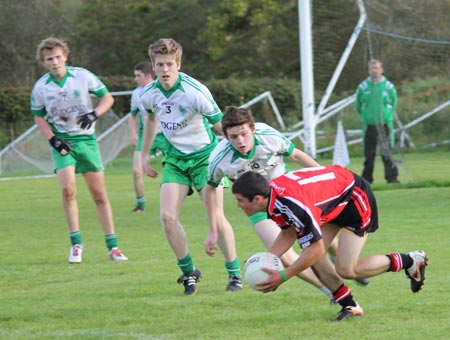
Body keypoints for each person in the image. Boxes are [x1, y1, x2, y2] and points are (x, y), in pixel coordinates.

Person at [231, 165, 428, 321]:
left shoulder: (292, 205)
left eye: (240, 200)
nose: (238, 206)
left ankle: (410, 261)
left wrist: (284, 276)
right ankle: (350, 306)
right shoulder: (273, 198)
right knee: (311, 254)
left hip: (354, 198)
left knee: (347, 269)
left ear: (257, 199)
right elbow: (288, 232)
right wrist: (267, 259)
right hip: (332, 200)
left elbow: (315, 249)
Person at [139, 38, 242, 295]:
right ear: (154, 65)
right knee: (167, 217)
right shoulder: (148, 94)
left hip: (205, 157)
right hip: (174, 158)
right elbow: (151, 121)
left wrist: (238, 153)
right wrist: (144, 155)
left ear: (178, 64)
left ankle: (234, 274)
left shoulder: (195, 91)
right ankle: (189, 273)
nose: (164, 69)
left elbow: (220, 125)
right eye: (160, 64)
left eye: (169, 64)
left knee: (217, 217)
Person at [204, 106, 334, 300]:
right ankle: (331, 290)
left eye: (243, 134)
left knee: (322, 235)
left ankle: (344, 264)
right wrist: (214, 229)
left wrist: (325, 177)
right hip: (258, 206)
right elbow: (210, 189)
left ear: (253, 129)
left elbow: (296, 155)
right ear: (225, 136)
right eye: (233, 137)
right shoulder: (219, 159)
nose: (240, 141)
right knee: (283, 256)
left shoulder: (268, 136)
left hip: (288, 195)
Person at [31, 37, 128, 263]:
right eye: (49, 59)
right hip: (63, 142)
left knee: (99, 195)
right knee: (68, 189)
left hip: (87, 141)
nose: (54, 62)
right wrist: (53, 139)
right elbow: (38, 116)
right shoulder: (41, 87)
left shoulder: (82, 76)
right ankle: (76, 245)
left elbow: (107, 97)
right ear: (43, 62)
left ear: (65, 56)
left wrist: (95, 113)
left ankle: (113, 247)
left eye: (57, 57)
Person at [128, 61, 169, 212]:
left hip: (165, 134)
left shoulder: (162, 89)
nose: (136, 79)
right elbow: (132, 116)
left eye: (138, 76)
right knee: (136, 170)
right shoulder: (136, 93)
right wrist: (132, 133)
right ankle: (140, 204)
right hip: (145, 135)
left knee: (174, 166)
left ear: (148, 76)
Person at [356, 59, 399, 184]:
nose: (374, 70)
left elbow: (394, 102)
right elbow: (358, 104)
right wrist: (365, 116)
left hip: (384, 124)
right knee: (369, 154)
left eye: (377, 68)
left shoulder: (388, 86)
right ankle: (367, 180)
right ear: (369, 71)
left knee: (387, 152)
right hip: (369, 125)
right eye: (372, 68)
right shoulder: (363, 87)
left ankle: (392, 178)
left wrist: (386, 115)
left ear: (382, 70)